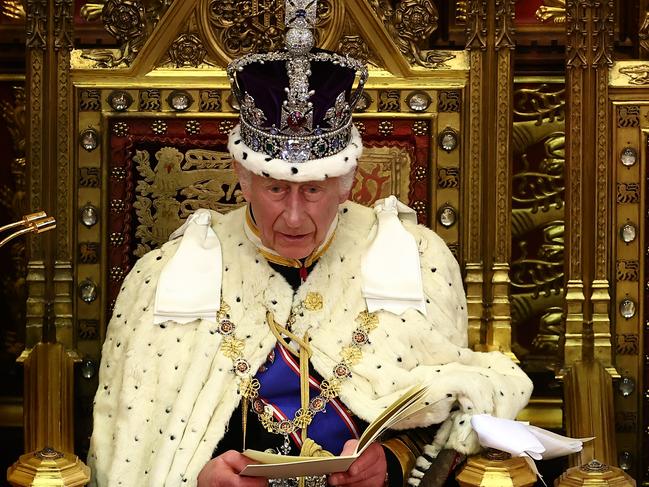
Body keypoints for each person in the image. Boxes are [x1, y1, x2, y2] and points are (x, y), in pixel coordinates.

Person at [88, 2, 533, 486]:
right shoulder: (165, 272)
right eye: (276, 189)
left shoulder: (417, 258)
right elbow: (136, 442)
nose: (295, 217)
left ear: (347, 180)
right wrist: (200, 478)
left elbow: (455, 410)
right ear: (243, 177)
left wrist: (391, 460)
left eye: (314, 190)